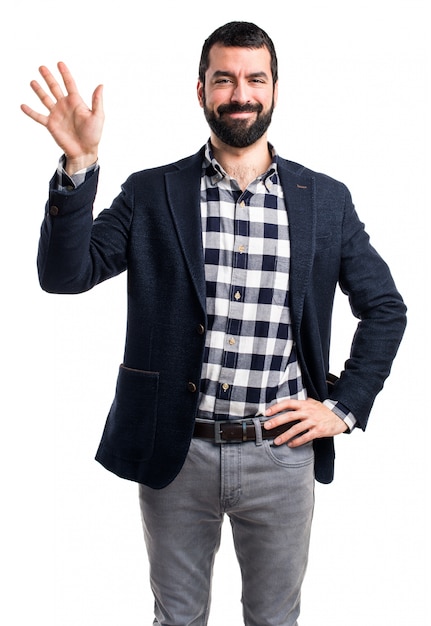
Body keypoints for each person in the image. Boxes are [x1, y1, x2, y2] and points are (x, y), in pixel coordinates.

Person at [22, 21, 406, 626]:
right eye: (223, 79)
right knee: (176, 619)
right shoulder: (153, 193)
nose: (240, 93)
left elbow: (386, 308)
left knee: (275, 621)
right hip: (178, 451)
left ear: (275, 89)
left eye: (255, 79)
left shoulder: (325, 200)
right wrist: (79, 163)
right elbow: (64, 275)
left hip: (282, 453)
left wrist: (343, 406)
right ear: (200, 90)